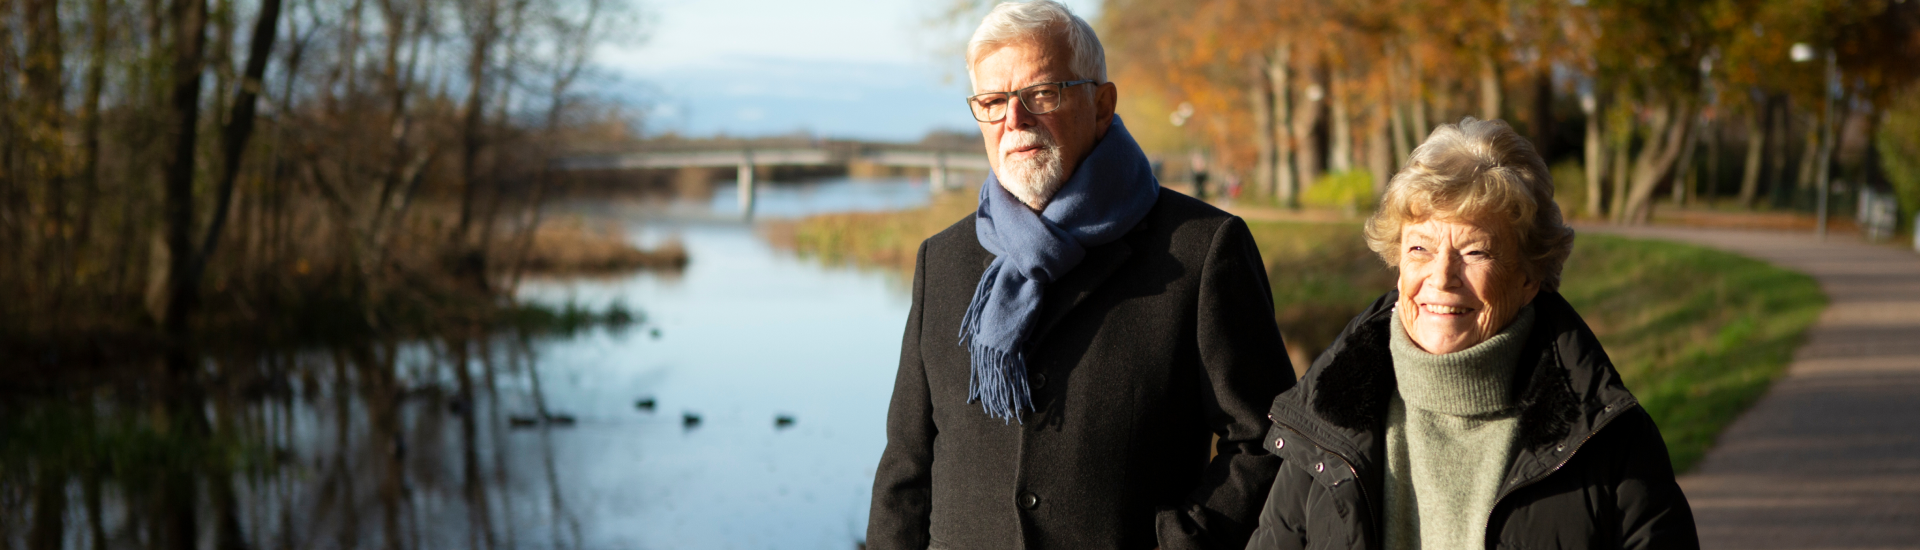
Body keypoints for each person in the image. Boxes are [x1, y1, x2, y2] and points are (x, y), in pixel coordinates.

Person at [866, 1, 1294, 548]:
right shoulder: (943, 259)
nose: (1014, 121)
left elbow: (1266, 440)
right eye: (993, 102)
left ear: (1102, 104)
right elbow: (906, 467)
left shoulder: (1202, 248)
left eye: (1041, 95)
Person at [1244, 118, 1698, 550]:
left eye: (1475, 251)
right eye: (1419, 247)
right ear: (1396, 260)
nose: (1442, 277)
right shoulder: (1326, 419)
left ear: (1528, 277)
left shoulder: (1607, 436)